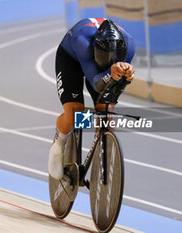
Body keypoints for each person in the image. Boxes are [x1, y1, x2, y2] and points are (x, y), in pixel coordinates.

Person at [48, 18, 135, 180]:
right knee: (76, 114)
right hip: (72, 59)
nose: (110, 61)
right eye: (106, 57)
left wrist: (126, 73)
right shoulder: (82, 43)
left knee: (106, 114)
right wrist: (112, 71)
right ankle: (59, 143)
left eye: (115, 59)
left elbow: (117, 85)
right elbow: (96, 82)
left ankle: (101, 155)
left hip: (102, 68)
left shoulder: (129, 45)